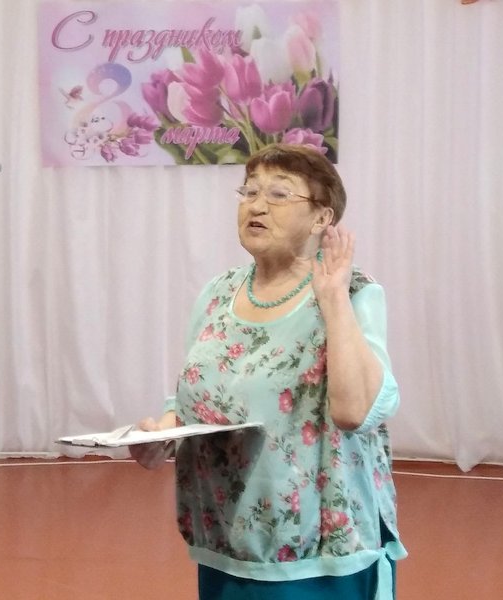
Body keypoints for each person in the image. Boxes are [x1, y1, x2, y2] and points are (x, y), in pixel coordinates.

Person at [131, 143, 407, 600]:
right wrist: (162, 433)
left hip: (317, 555)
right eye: (250, 191)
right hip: (227, 542)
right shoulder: (218, 293)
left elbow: (356, 412)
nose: (256, 205)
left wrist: (333, 299)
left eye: (279, 194)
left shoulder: (355, 293)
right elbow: (194, 398)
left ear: (321, 218)